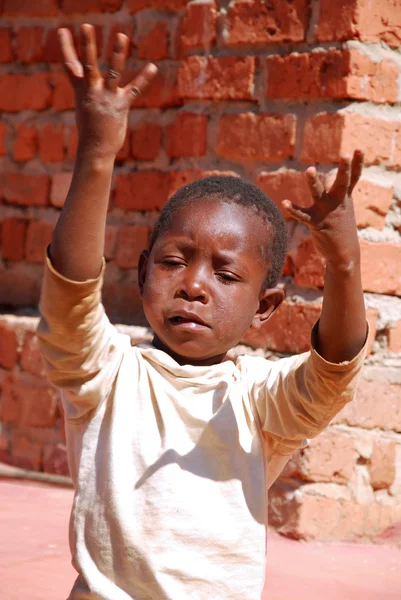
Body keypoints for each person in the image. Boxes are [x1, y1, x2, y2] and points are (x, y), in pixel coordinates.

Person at [37, 23, 368, 600]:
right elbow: (69, 297)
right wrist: (96, 154)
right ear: (142, 275)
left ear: (265, 308)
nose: (193, 285)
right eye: (174, 261)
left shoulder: (259, 403)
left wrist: (343, 266)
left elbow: (331, 370)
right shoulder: (106, 374)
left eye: (226, 273)